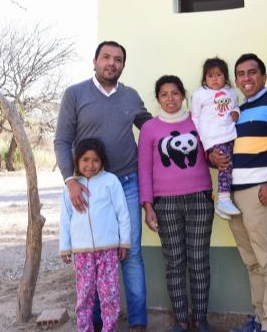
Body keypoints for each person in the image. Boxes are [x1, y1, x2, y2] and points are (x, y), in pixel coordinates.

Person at [54, 41, 152, 331]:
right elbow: (61, 140)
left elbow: (151, 130)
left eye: (118, 59)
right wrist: (70, 180)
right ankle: (96, 321)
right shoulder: (74, 94)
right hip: (87, 187)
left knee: (130, 251)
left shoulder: (131, 97)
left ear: (123, 65)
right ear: (94, 61)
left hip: (127, 181)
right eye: (106, 57)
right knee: (93, 254)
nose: (112, 63)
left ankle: (137, 321)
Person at [209, 53, 267, 332]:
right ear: (235, 80)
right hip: (233, 197)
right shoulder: (236, 111)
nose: (246, 78)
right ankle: (259, 319)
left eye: (252, 72)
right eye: (240, 74)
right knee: (252, 262)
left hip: (259, 194)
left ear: (263, 76)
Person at [138, 75, 214, 332]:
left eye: (175, 93)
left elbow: (212, 149)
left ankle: (201, 318)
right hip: (165, 204)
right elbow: (144, 170)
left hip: (200, 198)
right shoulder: (149, 128)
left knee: (199, 260)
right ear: (158, 98)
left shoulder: (198, 120)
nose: (170, 99)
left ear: (183, 95)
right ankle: (181, 319)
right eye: (164, 94)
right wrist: (148, 207)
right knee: (175, 262)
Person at [59, 138, 130, 332]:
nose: (90, 165)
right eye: (85, 159)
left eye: (96, 160)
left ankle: (109, 328)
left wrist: (124, 242)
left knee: (109, 294)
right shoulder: (70, 188)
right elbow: (65, 219)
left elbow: (122, 213)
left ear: (102, 161)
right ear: (76, 160)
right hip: (82, 253)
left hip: (107, 251)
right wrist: (65, 247)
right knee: (84, 295)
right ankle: (85, 329)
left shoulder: (110, 182)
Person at [190, 57, 241, 219]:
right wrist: (202, 141)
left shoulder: (232, 93)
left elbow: (235, 107)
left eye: (219, 75)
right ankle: (223, 199)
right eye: (210, 75)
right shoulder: (199, 95)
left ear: (225, 76)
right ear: (204, 78)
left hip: (230, 135)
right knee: (224, 164)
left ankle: (221, 204)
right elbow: (195, 118)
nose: (215, 79)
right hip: (213, 138)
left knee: (230, 166)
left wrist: (236, 113)